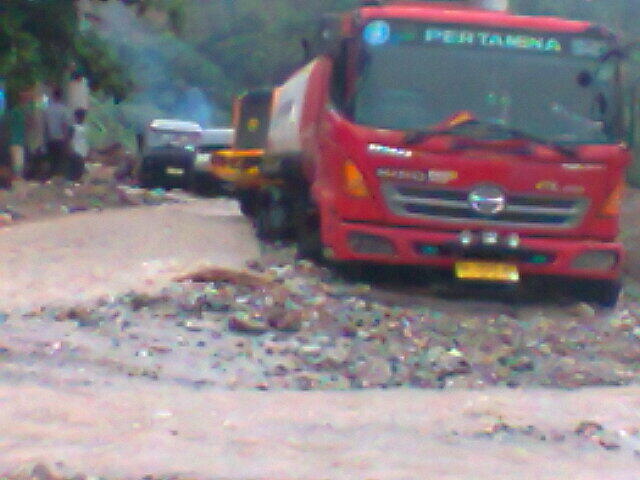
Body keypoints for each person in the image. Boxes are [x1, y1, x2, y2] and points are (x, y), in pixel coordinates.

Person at [44, 87, 72, 178]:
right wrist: (67, 140)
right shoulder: (64, 110)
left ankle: (51, 178)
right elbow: (64, 125)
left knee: (51, 160)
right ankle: (58, 179)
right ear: (61, 97)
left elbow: (46, 126)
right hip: (60, 140)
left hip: (50, 139)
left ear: (53, 96)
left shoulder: (47, 109)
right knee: (60, 161)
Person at [68, 108, 89, 181]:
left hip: (75, 150)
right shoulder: (87, 128)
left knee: (74, 168)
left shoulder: (73, 128)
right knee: (82, 167)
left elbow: (69, 140)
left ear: (76, 117)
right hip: (84, 149)